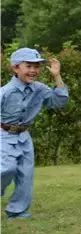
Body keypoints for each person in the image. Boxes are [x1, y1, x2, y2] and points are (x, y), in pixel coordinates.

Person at [1, 48, 69, 219]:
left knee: (26, 175)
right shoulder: (5, 92)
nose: (33, 71)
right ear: (16, 68)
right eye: (28, 66)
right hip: (3, 135)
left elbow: (59, 101)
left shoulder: (39, 89)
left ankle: (17, 212)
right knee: (6, 169)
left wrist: (56, 76)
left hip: (24, 137)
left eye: (37, 67)